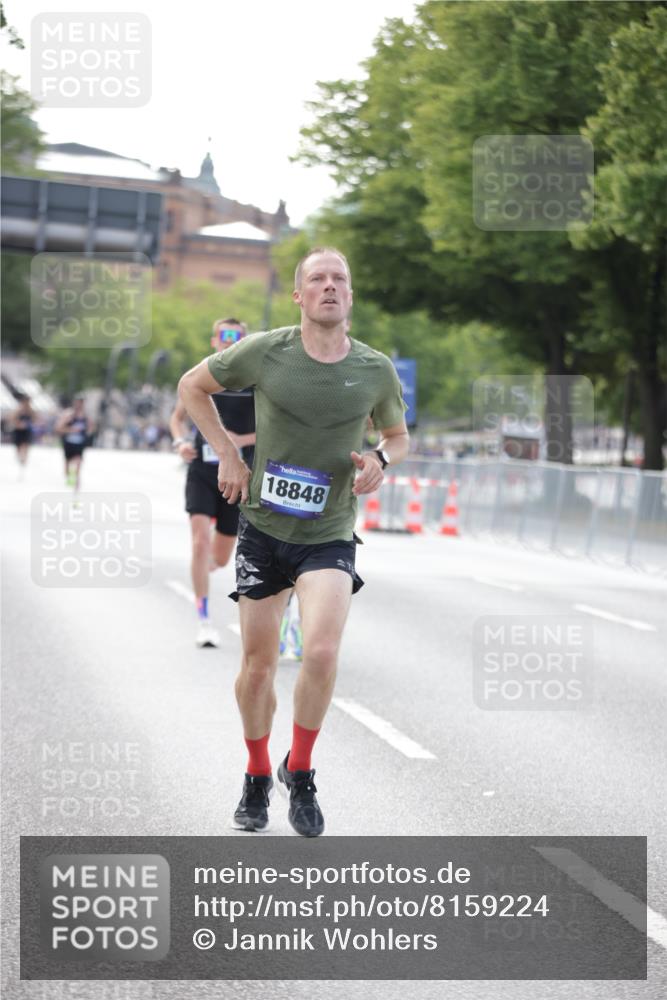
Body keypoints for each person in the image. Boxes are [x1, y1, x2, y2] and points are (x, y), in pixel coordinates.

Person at [178, 247, 409, 837]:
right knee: (258, 668)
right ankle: (257, 774)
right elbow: (191, 386)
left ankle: (299, 770)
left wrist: (381, 458)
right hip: (264, 527)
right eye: (317, 279)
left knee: (322, 652)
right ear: (300, 296)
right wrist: (229, 453)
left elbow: (398, 434)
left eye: (339, 280)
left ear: (350, 297)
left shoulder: (374, 368)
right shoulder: (267, 351)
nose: (329, 287)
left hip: (328, 531)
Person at [169, 318, 256, 649]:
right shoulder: (202, 376)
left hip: (238, 477)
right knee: (199, 542)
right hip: (203, 472)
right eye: (225, 338)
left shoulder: (255, 381)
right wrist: (180, 443)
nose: (230, 344)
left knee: (219, 557)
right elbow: (177, 418)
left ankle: (200, 572)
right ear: (214, 341)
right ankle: (203, 619)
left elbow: (273, 428)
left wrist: (238, 439)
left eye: (237, 339)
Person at [55, 395, 92, 492]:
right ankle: (70, 477)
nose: (80, 405)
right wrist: (71, 429)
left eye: (82, 403)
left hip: (79, 444)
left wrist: (87, 432)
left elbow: (90, 429)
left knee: (78, 464)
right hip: (68, 443)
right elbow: (59, 428)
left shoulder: (86, 416)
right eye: (78, 402)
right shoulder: (68, 415)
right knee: (67, 469)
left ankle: (76, 489)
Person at [11, 394, 35, 474]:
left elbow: (35, 419)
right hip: (18, 431)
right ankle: (21, 457)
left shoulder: (30, 410)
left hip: (27, 431)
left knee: (25, 445)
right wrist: (19, 424)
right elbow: (12, 419)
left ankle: (24, 458)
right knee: (18, 447)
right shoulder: (18, 409)